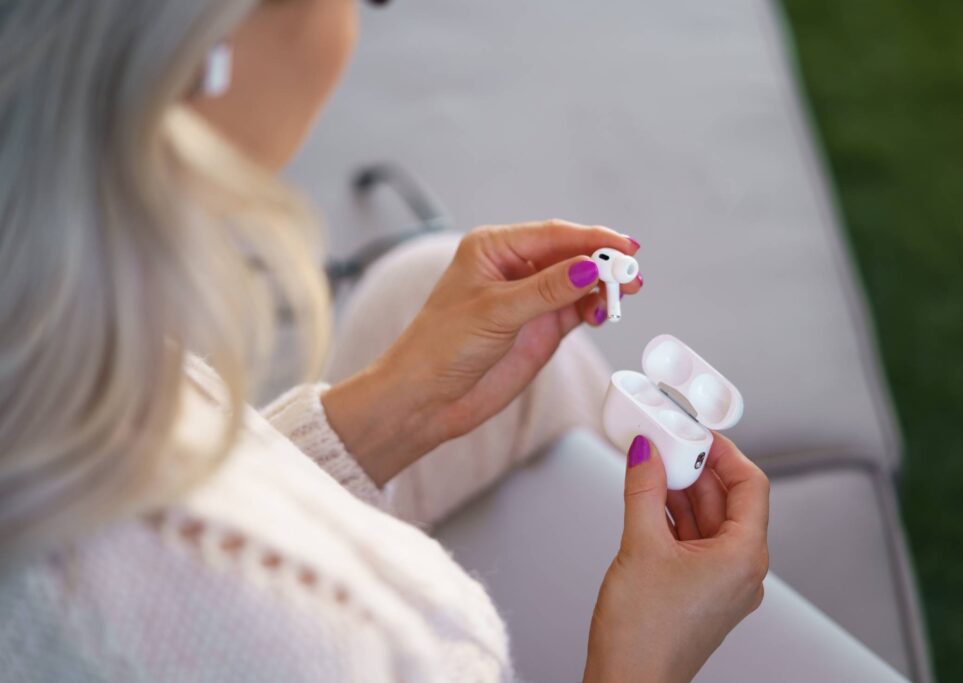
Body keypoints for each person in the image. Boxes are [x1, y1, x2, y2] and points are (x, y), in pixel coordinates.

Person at [0, 1, 769, 680]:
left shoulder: (46, 336)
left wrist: (387, 412)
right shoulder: (354, 642)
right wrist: (644, 659)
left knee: (423, 283)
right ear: (205, 51)